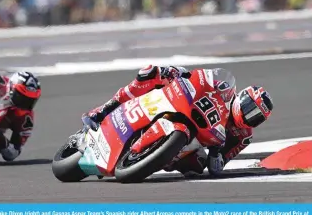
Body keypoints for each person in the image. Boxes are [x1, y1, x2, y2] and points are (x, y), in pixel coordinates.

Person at [81, 65, 273, 177]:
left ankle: (157, 157)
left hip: (196, 139)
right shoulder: (224, 89)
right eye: (250, 108)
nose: (249, 116)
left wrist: (217, 153)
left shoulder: (243, 137)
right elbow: (200, 77)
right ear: (242, 97)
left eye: (256, 117)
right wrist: (176, 72)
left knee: (198, 165)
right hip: (184, 108)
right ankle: (105, 109)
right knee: (149, 74)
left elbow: (217, 167)